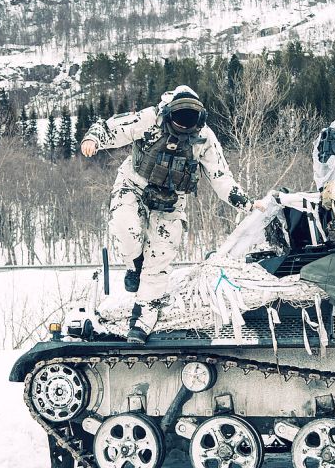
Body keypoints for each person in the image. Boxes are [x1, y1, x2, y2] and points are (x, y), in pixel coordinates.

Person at [81, 85, 265, 343]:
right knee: (126, 228)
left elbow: (220, 177)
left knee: (161, 255)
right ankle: (135, 265)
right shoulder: (150, 119)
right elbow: (114, 128)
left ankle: (143, 319)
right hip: (133, 184)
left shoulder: (204, 138)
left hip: (170, 200)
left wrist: (247, 203)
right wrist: (93, 139)